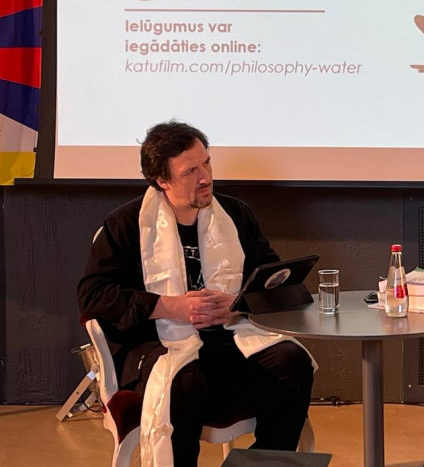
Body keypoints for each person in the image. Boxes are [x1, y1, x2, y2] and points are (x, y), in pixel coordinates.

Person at [78, 121, 315, 467]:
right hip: (155, 343)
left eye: (207, 163)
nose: (205, 177)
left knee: (292, 362)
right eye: (190, 171)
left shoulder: (235, 215)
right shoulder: (127, 225)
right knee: (183, 380)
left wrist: (237, 305)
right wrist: (168, 306)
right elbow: (93, 295)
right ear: (161, 179)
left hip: (229, 337)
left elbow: (271, 280)